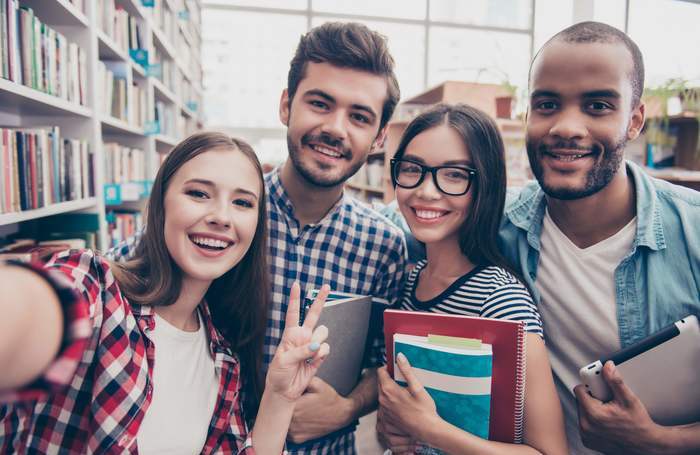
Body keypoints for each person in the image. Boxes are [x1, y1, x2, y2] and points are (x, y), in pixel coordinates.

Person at [109, 22, 407, 454]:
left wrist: (346, 408)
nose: (336, 128)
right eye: (320, 103)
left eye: (359, 117)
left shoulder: (384, 244)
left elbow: (385, 363)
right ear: (286, 105)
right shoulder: (225, 214)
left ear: (379, 136)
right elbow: (124, 276)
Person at [0, 132, 333, 454]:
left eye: (243, 202)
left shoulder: (221, 357)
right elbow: (35, 309)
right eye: (199, 194)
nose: (221, 217)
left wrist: (279, 394)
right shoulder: (98, 290)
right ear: (161, 203)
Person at [498, 21, 700, 454]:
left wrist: (659, 441)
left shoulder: (693, 233)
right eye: (547, 104)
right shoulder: (496, 229)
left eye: (598, 106)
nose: (566, 127)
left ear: (635, 120)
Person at [374, 103, 567, 455]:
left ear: (485, 187)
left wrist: (429, 429)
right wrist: (393, 429)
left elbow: (550, 452)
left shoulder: (500, 298)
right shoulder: (409, 280)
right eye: (413, 169)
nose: (426, 191)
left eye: (455, 175)